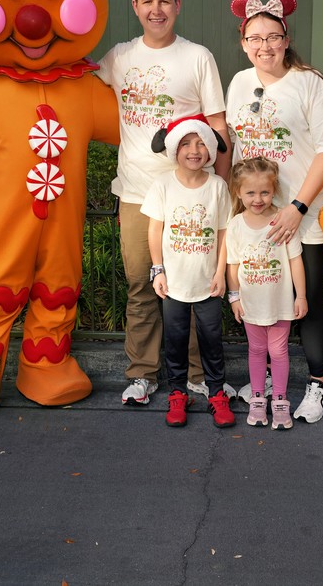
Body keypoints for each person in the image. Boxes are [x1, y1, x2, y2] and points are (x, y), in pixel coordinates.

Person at [98, 0, 234, 405]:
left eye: (164, 1)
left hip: (191, 190)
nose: (156, 9)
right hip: (138, 193)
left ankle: (197, 374)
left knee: (195, 288)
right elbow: (76, 86)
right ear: (135, 7)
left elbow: (218, 126)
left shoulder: (198, 57)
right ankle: (143, 373)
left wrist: (223, 188)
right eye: (147, 1)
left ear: (177, 6)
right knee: (142, 285)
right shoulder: (118, 57)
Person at [226, 0, 323, 423]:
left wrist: (296, 206)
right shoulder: (239, 82)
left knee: (305, 298)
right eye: (255, 38)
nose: (265, 46)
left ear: (286, 38)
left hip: (302, 215)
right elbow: (236, 149)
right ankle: (268, 383)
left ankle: (317, 383)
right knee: (262, 298)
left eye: (273, 37)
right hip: (256, 218)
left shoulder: (311, 82)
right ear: (243, 43)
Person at [141, 115, 235, 428]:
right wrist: (159, 270)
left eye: (200, 144)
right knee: (176, 339)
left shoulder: (218, 187)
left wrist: (220, 273)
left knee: (211, 338)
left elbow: (224, 233)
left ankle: (217, 393)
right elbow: (156, 230)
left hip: (207, 282)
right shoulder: (163, 186)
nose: (193, 150)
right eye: (185, 143)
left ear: (210, 150)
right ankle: (178, 393)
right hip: (174, 282)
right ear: (174, 150)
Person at [226, 157, 307, 430]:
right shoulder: (236, 225)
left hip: (280, 302)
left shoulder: (282, 220)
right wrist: (234, 297)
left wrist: (301, 296)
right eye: (250, 192)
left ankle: (281, 401)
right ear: (238, 192)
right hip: (250, 304)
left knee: (279, 350)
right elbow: (233, 265)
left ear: (274, 190)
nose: (258, 199)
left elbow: (295, 260)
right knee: (257, 349)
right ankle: (258, 399)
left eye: (265, 192)